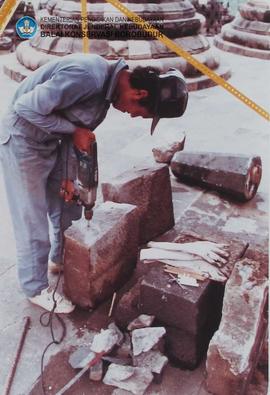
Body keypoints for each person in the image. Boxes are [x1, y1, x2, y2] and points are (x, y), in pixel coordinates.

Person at [0, 54, 188, 314]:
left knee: (69, 203)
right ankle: (34, 287)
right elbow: (26, 108)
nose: (133, 116)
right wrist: (74, 131)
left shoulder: (105, 98)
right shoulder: (87, 76)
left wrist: (67, 176)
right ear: (140, 93)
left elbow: (73, 135)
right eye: (141, 114)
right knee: (31, 217)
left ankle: (61, 258)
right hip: (22, 138)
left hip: (49, 139)